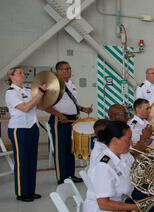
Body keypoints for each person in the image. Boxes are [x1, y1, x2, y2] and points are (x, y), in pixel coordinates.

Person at [46, 61, 93, 184]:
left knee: (70, 149)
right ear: (58, 71)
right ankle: (62, 177)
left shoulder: (71, 84)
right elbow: (45, 105)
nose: (68, 71)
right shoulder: (54, 85)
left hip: (72, 119)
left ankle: (70, 175)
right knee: (60, 149)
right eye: (65, 69)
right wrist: (59, 115)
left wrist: (83, 109)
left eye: (69, 68)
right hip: (60, 120)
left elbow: (71, 103)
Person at [5, 67, 46, 202]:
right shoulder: (11, 93)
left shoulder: (28, 90)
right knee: (22, 161)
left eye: (23, 72)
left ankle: (30, 190)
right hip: (19, 129)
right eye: (19, 73)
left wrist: (45, 93)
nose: (23, 74)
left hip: (32, 127)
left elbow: (38, 106)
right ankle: (21, 193)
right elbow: (25, 108)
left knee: (31, 161)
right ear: (11, 76)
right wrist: (39, 94)